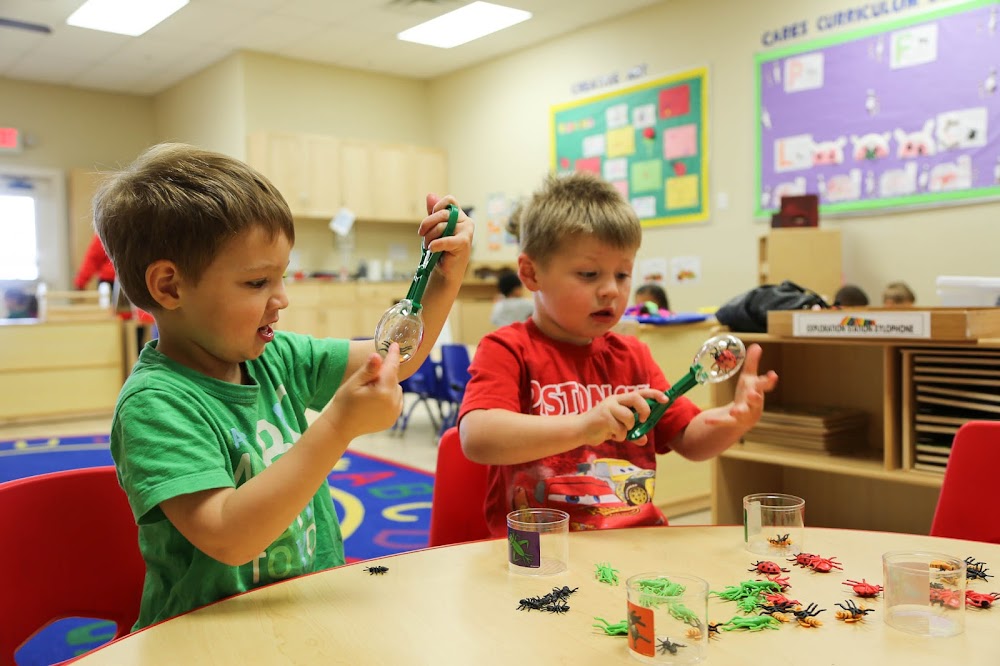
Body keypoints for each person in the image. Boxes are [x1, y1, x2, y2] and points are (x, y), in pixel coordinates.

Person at [93, 143, 473, 630]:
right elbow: (228, 536)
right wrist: (338, 426)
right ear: (169, 286)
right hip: (205, 639)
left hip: (303, 614)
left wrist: (446, 276)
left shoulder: (278, 356)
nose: (282, 299)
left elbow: (392, 359)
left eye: (282, 277)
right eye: (257, 283)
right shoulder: (156, 404)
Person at [456, 171, 778, 535]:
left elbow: (689, 439)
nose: (610, 290)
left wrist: (734, 420)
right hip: (541, 552)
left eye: (623, 275)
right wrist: (583, 426)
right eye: (589, 274)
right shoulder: (508, 349)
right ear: (531, 274)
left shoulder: (633, 355)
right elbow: (477, 438)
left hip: (635, 543)